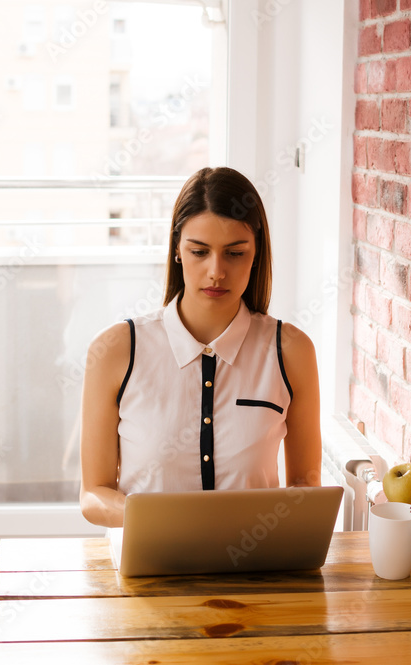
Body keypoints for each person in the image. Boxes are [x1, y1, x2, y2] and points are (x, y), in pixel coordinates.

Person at [79, 166, 321, 527]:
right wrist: (159, 521)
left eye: (235, 253)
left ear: (256, 254)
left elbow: (306, 485)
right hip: (148, 570)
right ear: (177, 249)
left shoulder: (292, 350)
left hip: (253, 570)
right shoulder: (116, 349)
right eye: (199, 251)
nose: (216, 271)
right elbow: (94, 493)